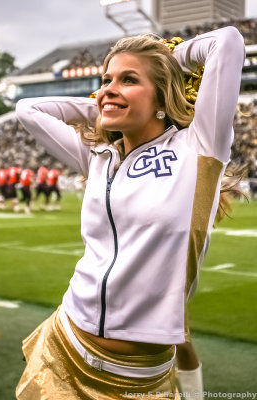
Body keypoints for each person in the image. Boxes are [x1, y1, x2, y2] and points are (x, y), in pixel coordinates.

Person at [15, 26, 245, 400]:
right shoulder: (97, 157)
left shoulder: (200, 146)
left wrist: (168, 60)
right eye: (105, 79)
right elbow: (29, 109)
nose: (108, 87)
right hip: (64, 342)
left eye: (128, 79)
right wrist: (110, 102)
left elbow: (228, 42)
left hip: (135, 377)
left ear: (162, 93)